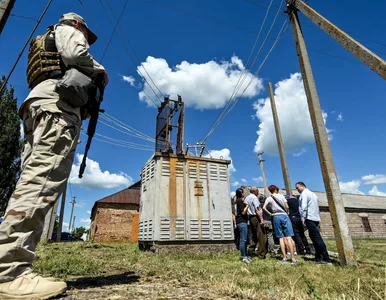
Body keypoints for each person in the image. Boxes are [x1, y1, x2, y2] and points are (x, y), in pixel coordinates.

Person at [0, 13, 108, 299]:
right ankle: (8, 273)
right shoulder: (69, 31)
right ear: (78, 25)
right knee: (42, 182)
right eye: (86, 32)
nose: (86, 37)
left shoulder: (44, 40)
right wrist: (100, 71)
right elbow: (76, 53)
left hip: (37, 104)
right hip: (57, 108)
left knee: (30, 181)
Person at [295, 182, 331, 264]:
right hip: (315, 217)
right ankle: (318, 257)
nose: (297, 190)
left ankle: (326, 258)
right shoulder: (313, 194)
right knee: (314, 238)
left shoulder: (304, 194)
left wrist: (303, 218)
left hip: (309, 217)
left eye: (297, 188)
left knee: (317, 238)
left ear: (302, 186)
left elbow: (303, 207)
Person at [263, 185, 296, 264]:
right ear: (276, 189)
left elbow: (264, 207)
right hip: (284, 215)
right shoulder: (281, 196)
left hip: (276, 216)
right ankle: (293, 258)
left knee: (281, 238)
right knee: (288, 237)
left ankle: (284, 257)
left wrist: (271, 214)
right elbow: (287, 206)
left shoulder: (269, 198)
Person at [235, 188, 250, 264]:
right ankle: (243, 256)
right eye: (243, 192)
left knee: (244, 239)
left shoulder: (237, 201)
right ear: (241, 193)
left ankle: (245, 255)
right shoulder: (240, 201)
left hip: (240, 222)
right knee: (243, 240)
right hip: (242, 222)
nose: (244, 193)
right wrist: (247, 205)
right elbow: (243, 212)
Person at [245, 186, 260, 252]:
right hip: (255, 217)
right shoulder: (254, 198)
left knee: (253, 234)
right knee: (260, 233)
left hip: (250, 217)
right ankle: (260, 250)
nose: (258, 192)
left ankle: (251, 249)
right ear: (255, 191)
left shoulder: (247, 198)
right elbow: (257, 209)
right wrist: (261, 218)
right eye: (257, 191)